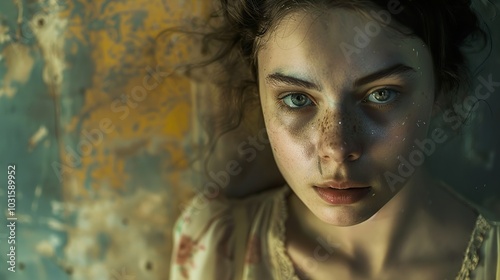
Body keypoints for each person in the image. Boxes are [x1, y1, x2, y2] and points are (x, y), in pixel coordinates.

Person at [169, 0, 499, 279]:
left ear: (441, 90)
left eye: (381, 94)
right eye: (297, 99)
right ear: (259, 94)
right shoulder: (216, 249)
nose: (338, 149)